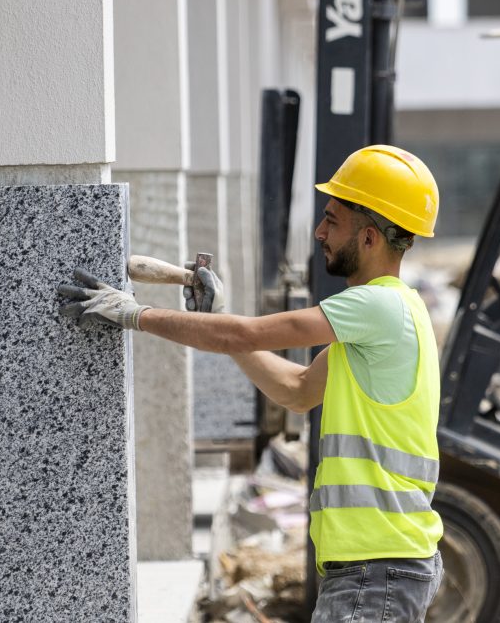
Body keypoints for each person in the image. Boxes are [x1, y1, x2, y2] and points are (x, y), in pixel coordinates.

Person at [58, 144, 444, 622]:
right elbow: (297, 390)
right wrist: (215, 316)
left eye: (332, 220)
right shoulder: (391, 315)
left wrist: (135, 315)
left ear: (369, 238)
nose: (319, 232)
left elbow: (245, 334)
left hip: (378, 568)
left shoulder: (379, 307)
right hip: (378, 565)